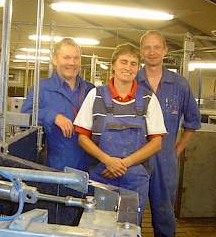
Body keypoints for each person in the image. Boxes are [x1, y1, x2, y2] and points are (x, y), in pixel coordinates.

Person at [74, 43, 166, 223]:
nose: (128, 67)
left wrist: (123, 164)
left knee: (129, 226)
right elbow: (82, 138)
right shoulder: (95, 95)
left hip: (135, 179)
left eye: (133, 63)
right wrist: (108, 161)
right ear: (113, 65)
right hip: (102, 176)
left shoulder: (148, 98)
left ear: (137, 69)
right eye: (123, 62)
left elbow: (157, 143)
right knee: (98, 225)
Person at [137, 30, 201, 237]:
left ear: (165, 50)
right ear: (141, 51)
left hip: (165, 160)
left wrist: (177, 150)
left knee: (164, 216)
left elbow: (192, 122)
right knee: (129, 212)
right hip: (133, 158)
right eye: (147, 47)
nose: (152, 52)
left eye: (157, 47)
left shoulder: (180, 84)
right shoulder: (131, 80)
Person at [21, 38, 94, 171]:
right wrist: (53, 116)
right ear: (55, 60)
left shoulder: (90, 90)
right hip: (56, 166)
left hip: (89, 166)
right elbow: (24, 115)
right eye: (66, 57)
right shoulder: (42, 88)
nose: (72, 63)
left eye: (76, 58)